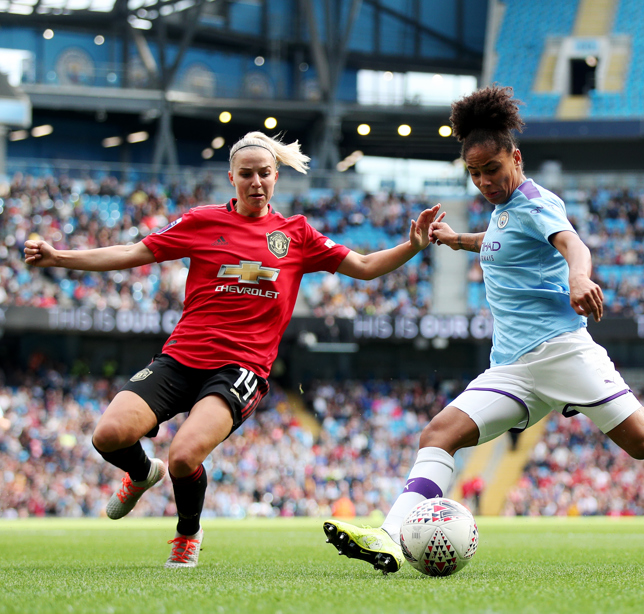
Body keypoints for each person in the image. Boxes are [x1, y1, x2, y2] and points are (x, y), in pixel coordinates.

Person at [320, 85, 644, 573]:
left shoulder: (537, 201)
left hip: (562, 353)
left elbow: (572, 243)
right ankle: (391, 536)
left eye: (492, 170)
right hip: (514, 367)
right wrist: (458, 240)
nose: (484, 181)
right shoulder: (504, 212)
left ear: (515, 158)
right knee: (438, 433)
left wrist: (580, 276)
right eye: (474, 174)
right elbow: (501, 238)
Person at [23, 131, 443, 568]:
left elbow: (365, 267)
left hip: (240, 369)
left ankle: (188, 533)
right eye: (247, 174)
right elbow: (133, 252)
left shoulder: (296, 234)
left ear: (276, 177)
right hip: (181, 357)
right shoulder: (202, 221)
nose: (256, 181)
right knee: (107, 435)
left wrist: (412, 246)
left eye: (264, 173)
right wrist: (60, 257)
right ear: (232, 177)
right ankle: (143, 472)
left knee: (184, 456)